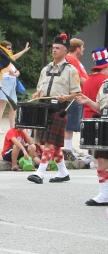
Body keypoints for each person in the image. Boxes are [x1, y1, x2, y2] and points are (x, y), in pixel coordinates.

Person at [27, 34, 81, 185]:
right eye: (53, 48)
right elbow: (40, 88)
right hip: (44, 109)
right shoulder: (45, 69)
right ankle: (63, 172)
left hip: (59, 109)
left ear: (65, 51)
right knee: (53, 143)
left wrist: (66, 97)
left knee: (50, 142)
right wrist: (37, 94)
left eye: (58, 48)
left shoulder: (71, 70)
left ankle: (40, 172)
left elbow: (77, 93)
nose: (54, 50)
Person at [75, 80, 108, 206]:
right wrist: (88, 101)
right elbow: (101, 108)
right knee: (102, 159)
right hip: (105, 123)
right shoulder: (105, 84)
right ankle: (104, 194)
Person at [0, 40, 30, 132]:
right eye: (8, 48)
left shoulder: (10, 59)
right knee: (2, 104)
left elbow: (17, 69)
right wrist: (6, 72)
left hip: (12, 82)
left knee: (14, 106)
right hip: (4, 82)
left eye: (11, 48)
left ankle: (12, 127)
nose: (10, 50)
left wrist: (16, 74)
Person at [64, 38, 88, 154]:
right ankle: (68, 148)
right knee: (71, 122)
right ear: (77, 48)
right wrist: (91, 83)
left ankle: (69, 146)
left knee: (73, 122)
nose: (83, 49)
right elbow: (78, 78)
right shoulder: (70, 59)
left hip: (78, 95)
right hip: (74, 95)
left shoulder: (75, 60)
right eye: (82, 47)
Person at [81, 47, 108, 121]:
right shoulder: (105, 81)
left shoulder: (87, 81)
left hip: (86, 118)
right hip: (99, 119)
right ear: (105, 67)